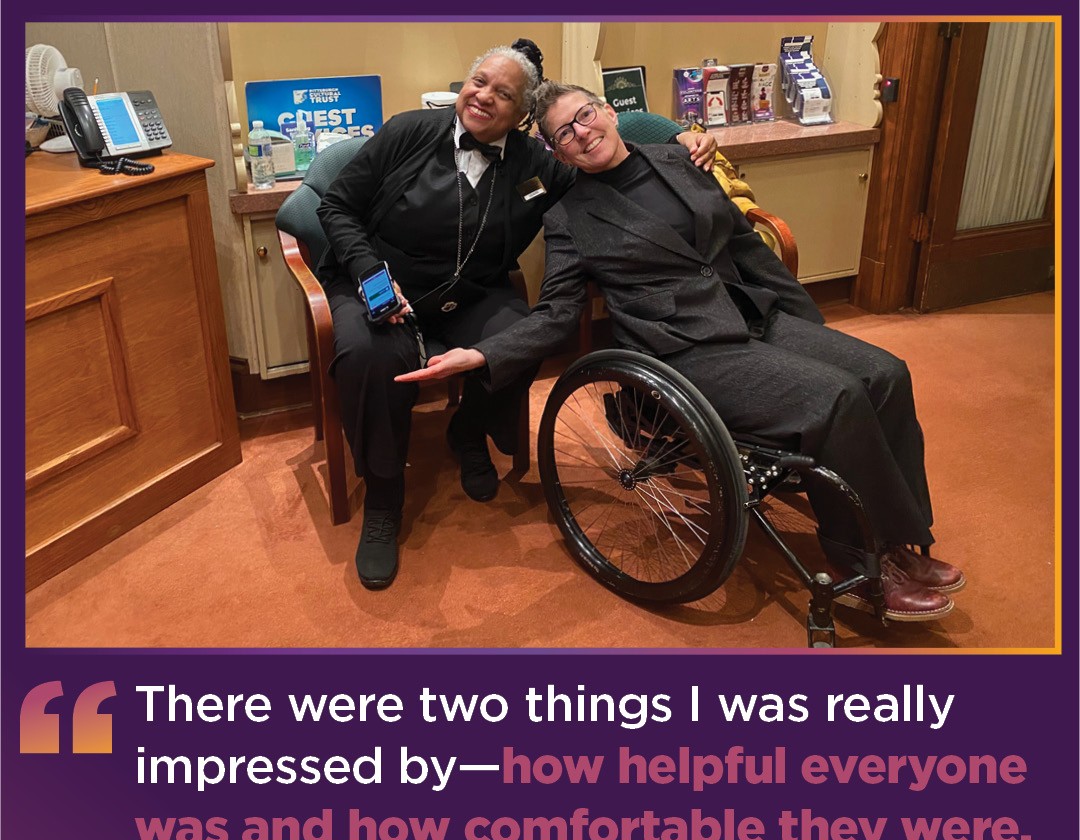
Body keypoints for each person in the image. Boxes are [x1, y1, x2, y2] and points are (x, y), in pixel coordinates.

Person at [398, 81, 966, 622]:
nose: (581, 133)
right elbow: (557, 314)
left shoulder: (678, 161)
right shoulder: (568, 219)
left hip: (752, 311)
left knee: (885, 371)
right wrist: (483, 354)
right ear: (560, 154)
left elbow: (746, 246)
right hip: (685, 349)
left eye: (585, 116)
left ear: (610, 112)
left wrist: (808, 327)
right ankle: (861, 562)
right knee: (836, 396)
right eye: (564, 134)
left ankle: (901, 537)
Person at [316, 43, 717, 589]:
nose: (482, 95)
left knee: (522, 335)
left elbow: (609, 127)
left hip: (473, 293)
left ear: (524, 115)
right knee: (369, 356)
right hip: (378, 283)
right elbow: (336, 206)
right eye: (478, 81)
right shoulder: (407, 131)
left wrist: (679, 134)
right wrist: (370, 276)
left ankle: (468, 429)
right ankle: (385, 499)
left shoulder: (540, 164)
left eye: (502, 93)